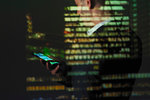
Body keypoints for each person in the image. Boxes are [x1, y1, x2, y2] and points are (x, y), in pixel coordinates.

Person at [41, 0, 142, 99]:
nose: (78, 12)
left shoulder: (123, 39)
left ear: (88, 3)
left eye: (78, 5)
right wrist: (61, 72)